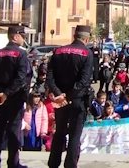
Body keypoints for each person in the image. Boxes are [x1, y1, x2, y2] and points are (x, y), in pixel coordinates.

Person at [46, 25, 94, 168]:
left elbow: (50, 76)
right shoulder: (86, 53)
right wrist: (69, 95)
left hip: (60, 100)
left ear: (75, 36)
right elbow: (84, 81)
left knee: (59, 131)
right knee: (74, 134)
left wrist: (59, 94)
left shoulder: (58, 51)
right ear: (86, 38)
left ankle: (53, 163)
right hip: (77, 99)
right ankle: (70, 165)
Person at [0, 25, 31, 168]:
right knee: (13, 131)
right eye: (23, 36)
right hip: (14, 98)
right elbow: (21, 78)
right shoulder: (21, 54)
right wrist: (7, 93)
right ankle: (13, 163)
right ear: (15, 36)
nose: (24, 39)